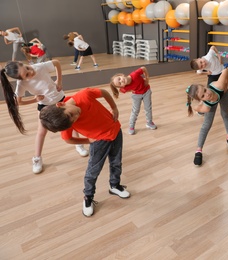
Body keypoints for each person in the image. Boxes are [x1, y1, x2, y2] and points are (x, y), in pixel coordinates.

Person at [39, 88, 131, 217]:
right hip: (99, 142)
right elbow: (68, 139)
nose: (76, 116)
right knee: (93, 171)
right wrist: (87, 140)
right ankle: (88, 197)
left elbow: (103, 92)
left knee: (116, 162)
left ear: (61, 104)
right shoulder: (66, 121)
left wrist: (114, 107)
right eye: (73, 120)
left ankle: (114, 186)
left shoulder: (84, 95)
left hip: (115, 130)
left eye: (71, 115)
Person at [0, 60, 89, 174]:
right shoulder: (21, 84)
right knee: (41, 132)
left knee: (71, 122)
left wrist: (59, 81)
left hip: (61, 99)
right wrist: (35, 100)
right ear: (21, 79)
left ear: (23, 63)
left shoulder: (40, 67)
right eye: (26, 75)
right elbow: (18, 102)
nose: (30, 72)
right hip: (45, 106)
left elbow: (57, 62)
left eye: (27, 68)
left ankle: (78, 144)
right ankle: (37, 158)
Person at [186, 68, 228, 166]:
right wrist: (199, 106)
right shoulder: (206, 107)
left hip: (223, 94)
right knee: (206, 125)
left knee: (225, 114)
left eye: (205, 90)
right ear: (201, 99)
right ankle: (198, 151)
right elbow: (196, 108)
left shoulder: (219, 85)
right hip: (211, 104)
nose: (207, 94)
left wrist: (226, 84)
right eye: (203, 96)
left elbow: (226, 70)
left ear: (205, 86)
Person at [190, 45, 228, 115]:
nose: (203, 64)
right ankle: (201, 108)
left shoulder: (209, 55)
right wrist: (207, 72)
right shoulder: (200, 68)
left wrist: (218, 55)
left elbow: (213, 47)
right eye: (201, 66)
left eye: (201, 62)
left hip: (221, 73)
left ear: (199, 58)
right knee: (206, 91)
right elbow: (198, 73)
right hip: (212, 75)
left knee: (224, 89)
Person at [110, 66, 157, 135]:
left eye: (119, 78)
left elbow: (143, 68)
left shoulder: (134, 74)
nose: (121, 81)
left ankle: (149, 123)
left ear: (121, 75)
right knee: (135, 110)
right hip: (136, 96)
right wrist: (132, 90)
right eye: (120, 83)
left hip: (146, 92)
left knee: (148, 108)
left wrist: (147, 79)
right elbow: (122, 90)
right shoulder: (124, 88)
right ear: (122, 86)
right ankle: (131, 126)